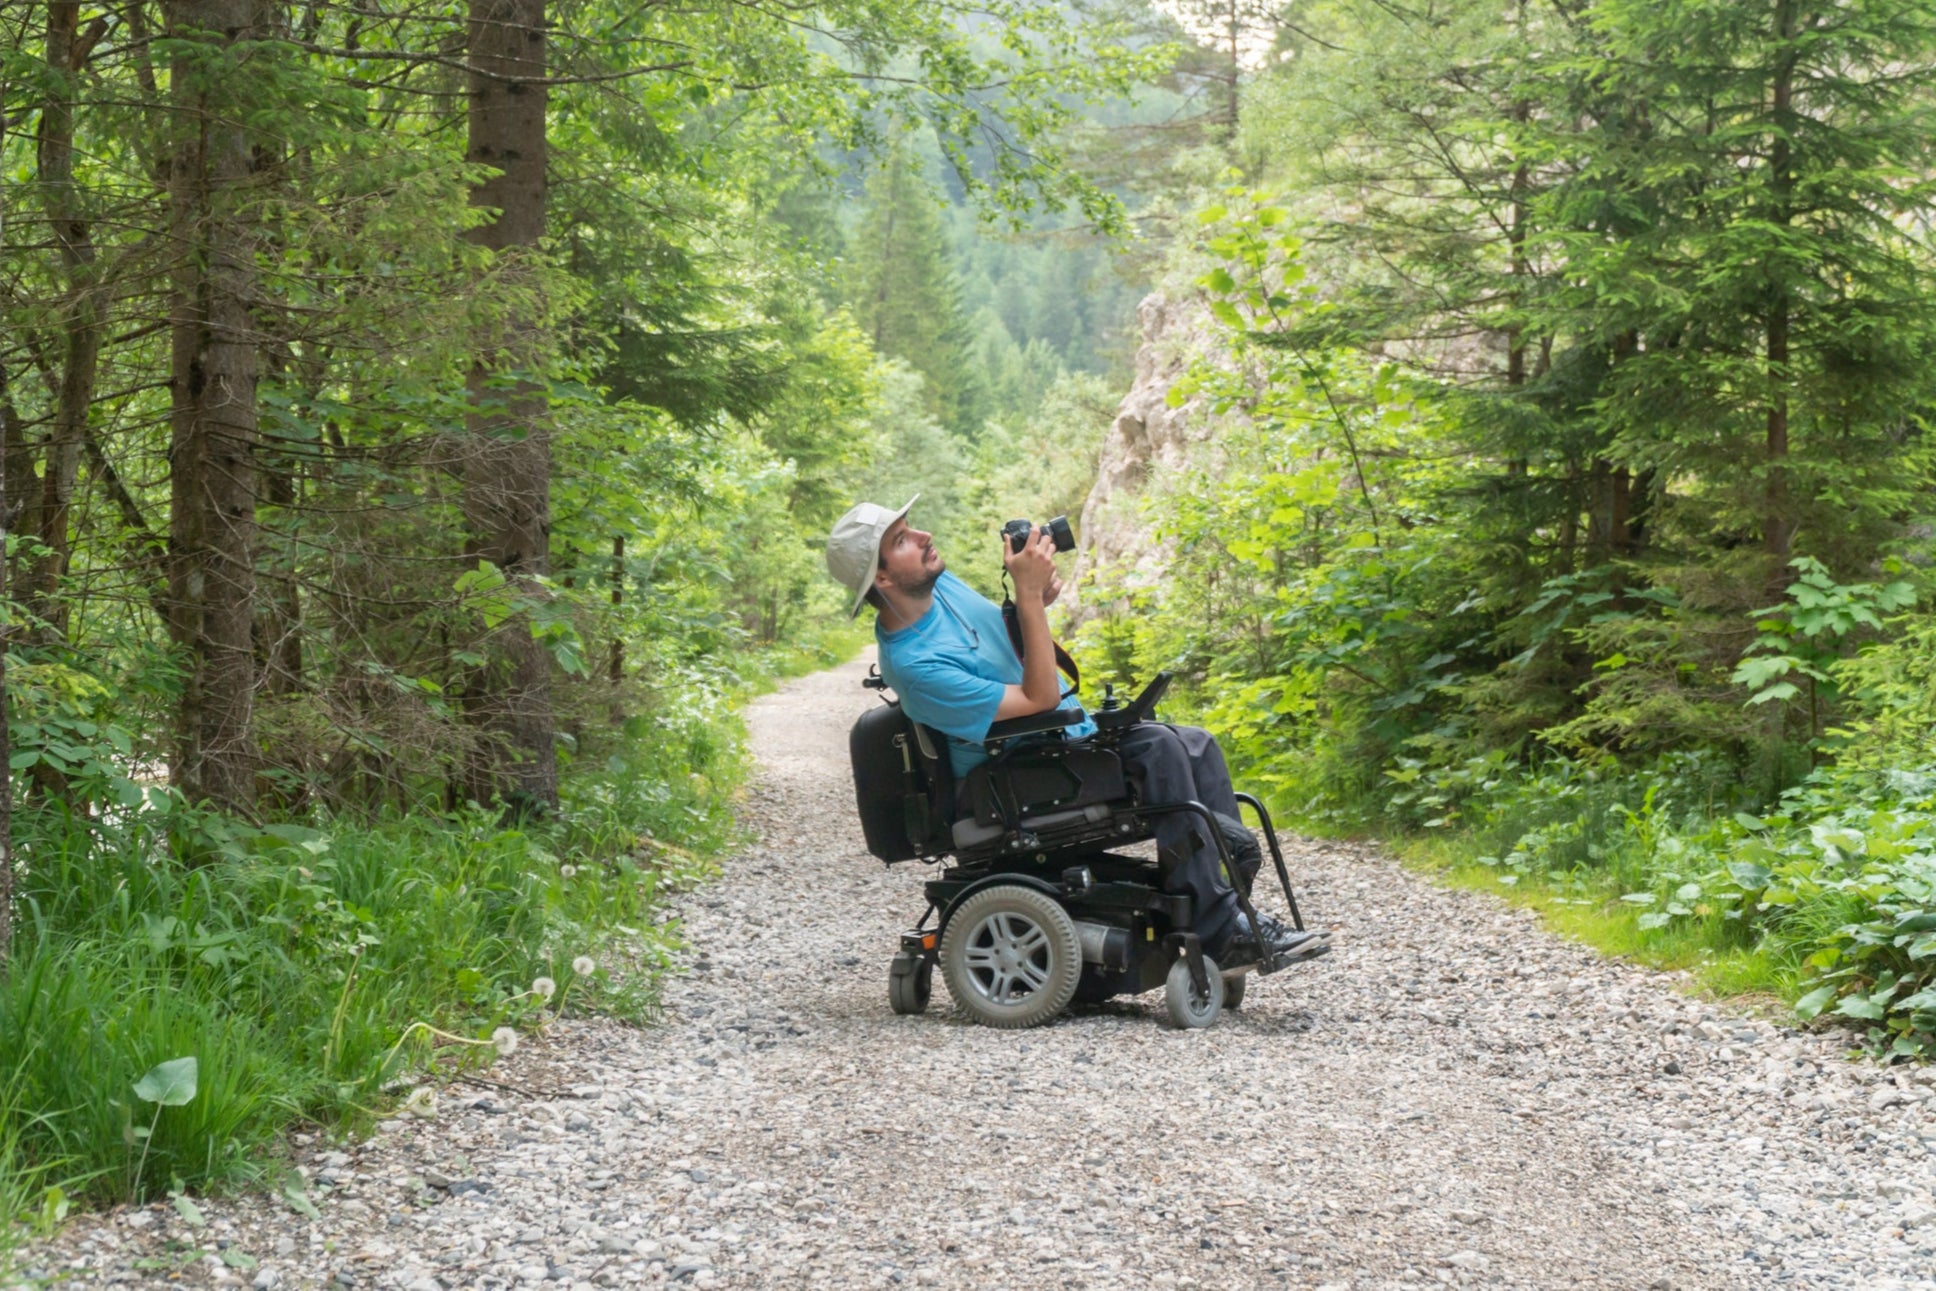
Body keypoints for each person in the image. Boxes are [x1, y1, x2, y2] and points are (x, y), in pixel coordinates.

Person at [826, 495, 1326, 969]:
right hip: (1010, 778)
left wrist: (1033, 600)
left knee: (1196, 743)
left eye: (910, 527)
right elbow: (1038, 699)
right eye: (902, 539)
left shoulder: (940, 588)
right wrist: (1025, 595)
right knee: (1159, 749)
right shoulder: (914, 664)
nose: (923, 534)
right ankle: (1219, 933)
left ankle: (1230, 911)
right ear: (884, 579)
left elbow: (1014, 649)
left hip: (1055, 745)